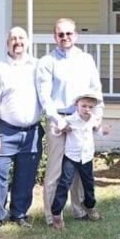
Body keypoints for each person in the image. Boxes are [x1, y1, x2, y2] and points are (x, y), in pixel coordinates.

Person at [36, 18, 103, 226]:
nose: (65, 37)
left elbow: (95, 89)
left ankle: (79, 209)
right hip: (60, 119)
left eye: (68, 33)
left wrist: (96, 116)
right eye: (60, 34)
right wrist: (58, 119)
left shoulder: (86, 59)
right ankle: (52, 215)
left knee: (80, 164)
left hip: (82, 119)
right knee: (56, 170)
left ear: (76, 35)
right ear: (55, 36)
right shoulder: (48, 61)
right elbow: (44, 96)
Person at [0, 27, 43, 232]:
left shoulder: (38, 66)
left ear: (27, 41)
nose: (17, 41)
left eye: (21, 38)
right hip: (5, 131)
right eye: (13, 38)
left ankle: (19, 213)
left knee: (26, 176)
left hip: (32, 132)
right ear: (7, 43)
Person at [50, 92, 108, 230]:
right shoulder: (70, 119)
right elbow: (56, 130)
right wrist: (61, 128)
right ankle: (56, 215)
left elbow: (99, 130)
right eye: (83, 106)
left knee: (88, 183)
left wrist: (104, 130)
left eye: (90, 106)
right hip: (71, 156)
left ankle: (90, 207)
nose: (86, 109)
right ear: (77, 105)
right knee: (64, 183)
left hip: (86, 157)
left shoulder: (93, 119)